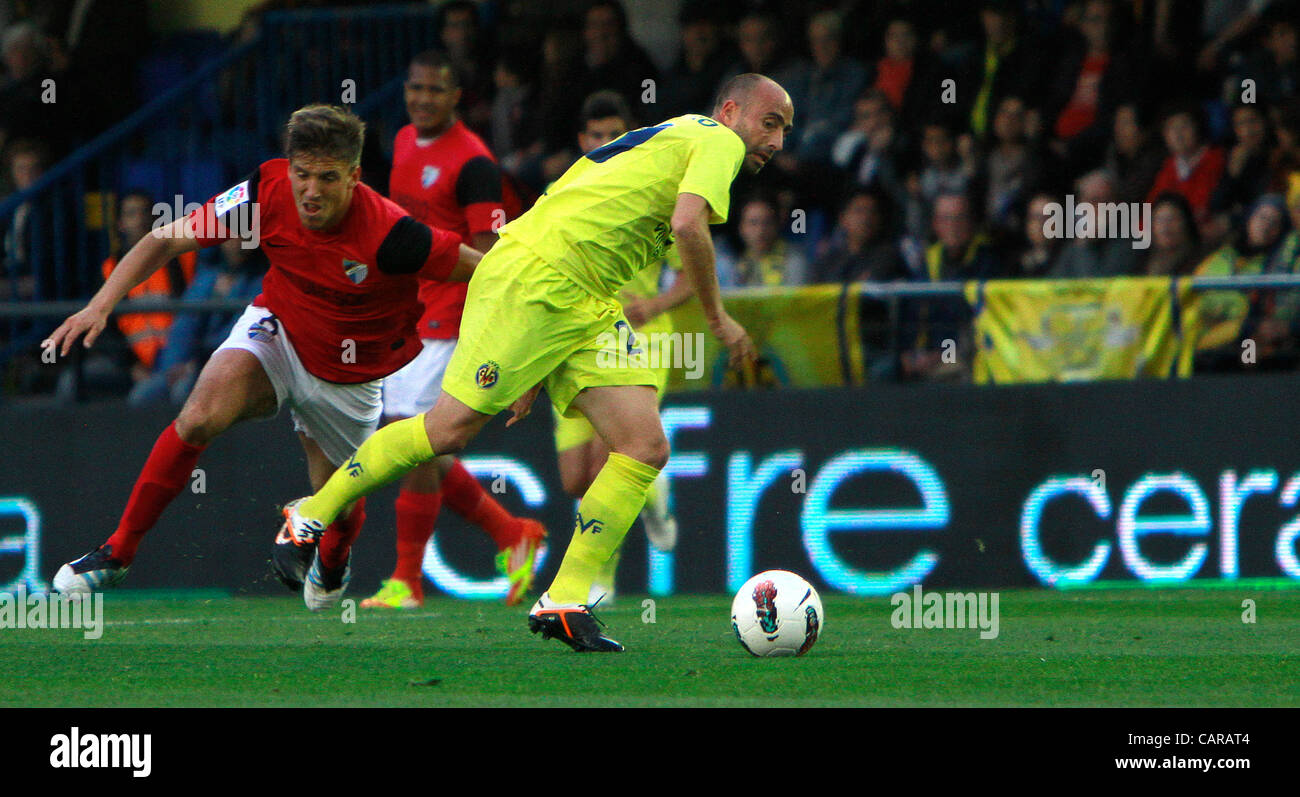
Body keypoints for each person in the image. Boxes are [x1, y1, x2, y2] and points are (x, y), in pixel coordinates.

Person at [277, 73, 787, 652]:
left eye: (786, 130)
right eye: (769, 123)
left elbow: (576, 197)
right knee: (447, 429)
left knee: (644, 445)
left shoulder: (672, 136)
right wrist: (718, 319)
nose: (775, 140)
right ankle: (311, 516)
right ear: (730, 110)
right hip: (540, 282)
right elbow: (688, 224)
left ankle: (566, 599)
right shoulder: (718, 141)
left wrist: (534, 361)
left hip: (583, 299)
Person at [47, 105, 482, 611]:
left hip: (350, 375)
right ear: (288, 166)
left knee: (338, 506)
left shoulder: (394, 235)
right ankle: (116, 553)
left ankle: (334, 560)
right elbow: (166, 238)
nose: (311, 191)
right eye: (302, 174)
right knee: (198, 417)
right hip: (278, 329)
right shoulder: (264, 191)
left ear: (355, 176)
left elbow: (490, 272)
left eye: (327, 177)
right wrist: (100, 304)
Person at [360, 51, 545, 612]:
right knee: (418, 443)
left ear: (457, 96)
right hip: (410, 312)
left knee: (413, 441)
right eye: (414, 88)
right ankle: (511, 533)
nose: (421, 99)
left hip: (450, 319)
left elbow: (490, 257)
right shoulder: (402, 143)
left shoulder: (475, 163)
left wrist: (489, 331)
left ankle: (406, 581)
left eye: (434, 91)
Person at [547, 90, 695, 604]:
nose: (605, 143)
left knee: (615, 457)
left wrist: (651, 307)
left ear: (630, 138)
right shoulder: (562, 192)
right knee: (575, 479)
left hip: (638, 336)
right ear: (581, 140)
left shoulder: (655, 190)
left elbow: (696, 273)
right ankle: (654, 495)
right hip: (576, 336)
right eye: (596, 135)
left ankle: (599, 579)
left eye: (615, 134)